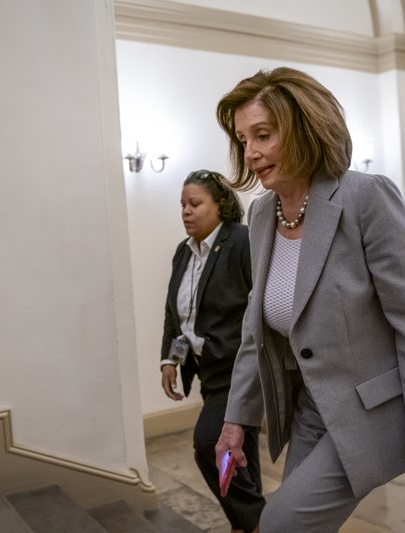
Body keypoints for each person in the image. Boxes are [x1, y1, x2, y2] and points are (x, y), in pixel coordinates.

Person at [212, 66, 405, 533]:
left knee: (279, 523)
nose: (250, 153)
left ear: (302, 129)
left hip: (370, 412)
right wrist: (237, 420)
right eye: (243, 139)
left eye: (263, 135)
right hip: (310, 410)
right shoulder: (260, 215)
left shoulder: (365, 199)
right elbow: (257, 331)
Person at [160, 169, 266, 533]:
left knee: (209, 444)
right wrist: (170, 360)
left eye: (194, 203)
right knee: (241, 452)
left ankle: (255, 519)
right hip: (207, 370)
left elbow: (260, 301)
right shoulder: (183, 251)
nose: (186, 212)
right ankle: (248, 522)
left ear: (219, 205)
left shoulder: (240, 241)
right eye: (182, 205)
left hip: (238, 369)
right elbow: (175, 312)